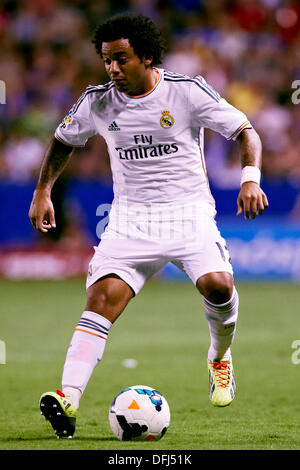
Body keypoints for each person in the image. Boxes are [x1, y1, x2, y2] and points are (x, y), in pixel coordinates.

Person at [29, 13, 268, 439]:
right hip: (130, 220)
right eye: (106, 60)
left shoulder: (186, 92)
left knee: (218, 286)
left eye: (121, 59)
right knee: (100, 301)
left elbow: (246, 131)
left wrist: (250, 178)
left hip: (188, 213)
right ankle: (68, 399)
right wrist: (43, 191)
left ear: (146, 56)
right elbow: (64, 141)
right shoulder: (97, 101)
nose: (112, 69)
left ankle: (219, 357)